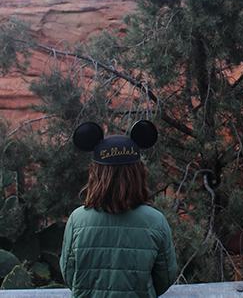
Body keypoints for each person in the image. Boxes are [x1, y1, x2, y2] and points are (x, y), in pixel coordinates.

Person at [60, 121, 177, 297]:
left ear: (96, 174)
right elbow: (165, 277)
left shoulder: (77, 220)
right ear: (138, 173)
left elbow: (69, 274)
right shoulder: (156, 221)